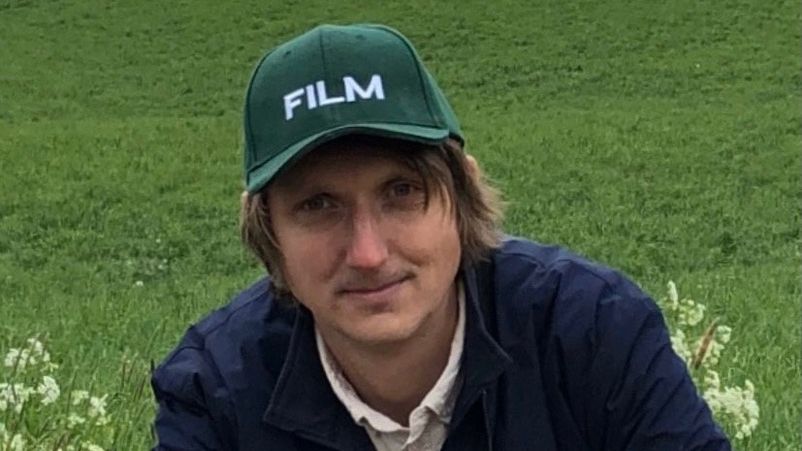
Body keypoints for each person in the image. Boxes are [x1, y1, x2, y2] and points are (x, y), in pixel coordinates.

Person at [151, 23, 731, 450]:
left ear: (464, 191)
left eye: (402, 192)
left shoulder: (592, 332)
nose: (368, 254)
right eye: (318, 206)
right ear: (267, 230)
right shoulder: (215, 390)